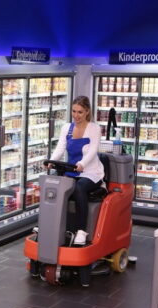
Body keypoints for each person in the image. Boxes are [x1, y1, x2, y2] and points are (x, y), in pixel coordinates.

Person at [48, 95, 104, 245]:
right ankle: (51, 226)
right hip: (71, 170)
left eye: (80, 112)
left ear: (87, 112)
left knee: (79, 187)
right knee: (54, 186)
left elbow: (92, 151)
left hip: (91, 172)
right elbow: (60, 148)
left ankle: (81, 231)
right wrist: (51, 161)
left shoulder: (94, 128)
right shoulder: (67, 128)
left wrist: (82, 164)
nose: (76, 115)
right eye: (74, 111)